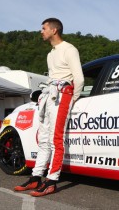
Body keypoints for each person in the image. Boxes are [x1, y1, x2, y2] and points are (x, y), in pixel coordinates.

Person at [14, 18, 84, 197]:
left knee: (55, 139)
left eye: (43, 28)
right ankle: (36, 177)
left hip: (62, 96)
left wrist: (72, 98)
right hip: (49, 96)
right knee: (44, 139)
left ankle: (52, 181)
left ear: (54, 30)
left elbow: (79, 78)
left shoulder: (69, 49)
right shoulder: (50, 54)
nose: (41, 31)